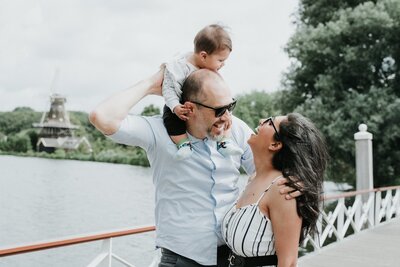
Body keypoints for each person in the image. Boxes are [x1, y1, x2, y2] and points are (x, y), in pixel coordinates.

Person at [89, 68, 300, 267]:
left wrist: (294, 183)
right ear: (189, 108)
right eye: (219, 110)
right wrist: (152, 84)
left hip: (232, 259)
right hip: (182, 260)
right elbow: (102, 117)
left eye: (230, 106)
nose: (227, 117)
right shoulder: (158, 132)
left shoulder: (234, 129)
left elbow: (267, 171)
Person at [222, 114, 328, 267]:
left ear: (276, 144)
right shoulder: (253, 179)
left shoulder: (283, 190)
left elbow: (289, 262)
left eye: (269, 122)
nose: (260, 121)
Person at [162, 24, 242, 160]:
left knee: (226, 115)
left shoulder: (211, 69)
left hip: (209, 106)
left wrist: (227, 110)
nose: (223, 64)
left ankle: (224, 142)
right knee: (171, 119)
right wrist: (175, 106)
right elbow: (168, 89)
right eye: (221, 60)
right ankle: (183, 144)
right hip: (180, 105)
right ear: (204, 56)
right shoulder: (179, 67)